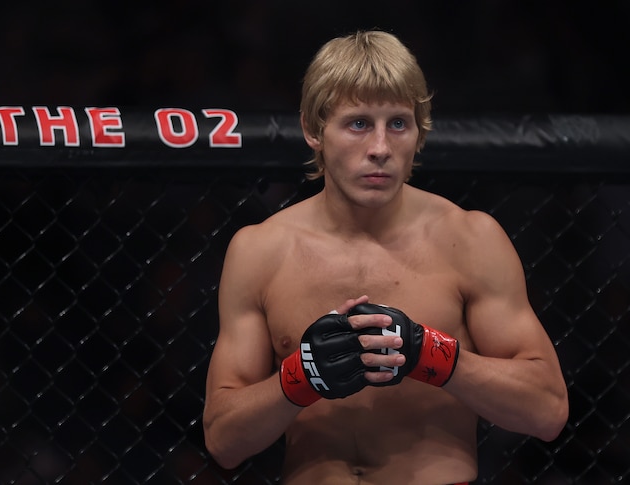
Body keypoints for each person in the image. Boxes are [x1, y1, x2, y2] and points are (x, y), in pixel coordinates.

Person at [203, 30, 569, 485]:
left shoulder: (470, 239)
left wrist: (428, 354)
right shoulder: (260, 250)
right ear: (314, 130)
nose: (380, 148)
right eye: (358, 123)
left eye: (398, 123)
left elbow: (547, 411)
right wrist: (301, 377)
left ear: (419, 132)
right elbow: (223, 441)